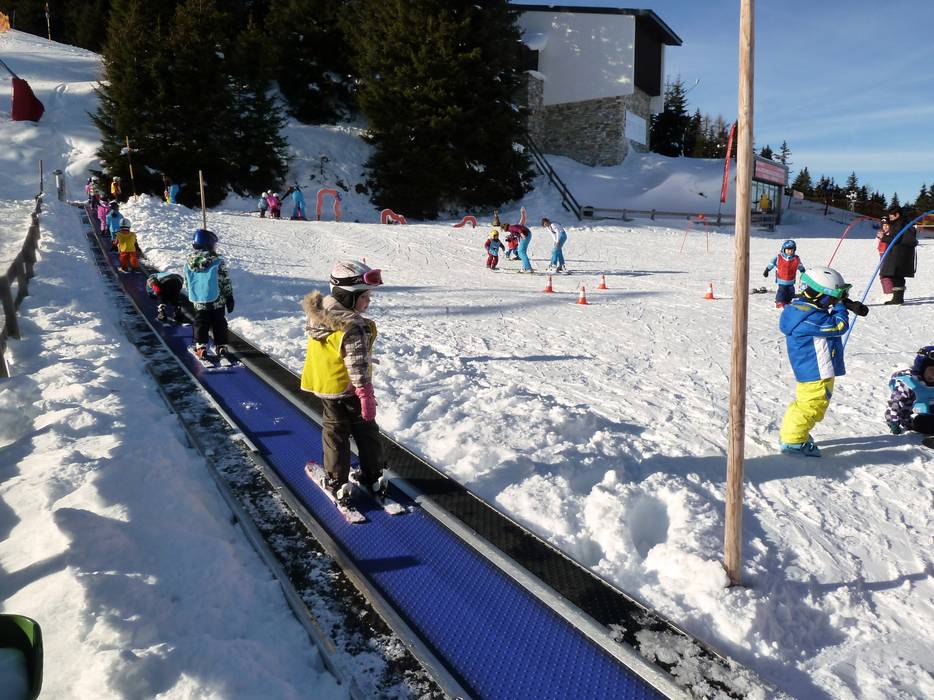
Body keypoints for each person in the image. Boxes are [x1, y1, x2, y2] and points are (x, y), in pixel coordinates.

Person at [300, 260, 385, 505]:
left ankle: (339, 480)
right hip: (352, 390)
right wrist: (365, 393)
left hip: (329, 389)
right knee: (365, 430)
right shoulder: (353, 326)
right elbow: (357, 365)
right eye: (364, 296)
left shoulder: (319, 316)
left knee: (336, 433)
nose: (368, 302)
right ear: (348, 296)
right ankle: (368, 476)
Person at [778, 266, 854, 457]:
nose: (835, 302)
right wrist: (840, 307)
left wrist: (838, 302)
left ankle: (794, 433)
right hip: (817, 370)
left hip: (810, 368)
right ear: (819, 295)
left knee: (805, 403)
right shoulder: (811, 318)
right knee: (812, 406)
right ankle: (793, 441)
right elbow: (839, 325)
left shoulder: (802, 310)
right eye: (833, 298)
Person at [184, 229, 235, 360]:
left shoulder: (189, 263)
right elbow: (224, 280)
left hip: (199, 299)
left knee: (201, 322)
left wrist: (193, 294)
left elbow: (187, 281)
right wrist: (229, 297)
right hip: (217, 299)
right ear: (209, 245)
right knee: (219, 322)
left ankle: (200, 346)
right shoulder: (217, 261)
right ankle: (221, 346)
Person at [885, 346, 934, 437]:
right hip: (914, 418)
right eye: (931, 370)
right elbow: (895, 404)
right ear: (921, 369)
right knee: (923, 421)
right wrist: (893, 422)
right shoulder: (910, 384)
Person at [878, 207, 918, 305]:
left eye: (891, 217)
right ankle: (897, 298)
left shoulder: (899, 224)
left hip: (898, 254)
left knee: (895, 275)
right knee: (897, 275)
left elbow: (895, 239)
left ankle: (897, 298)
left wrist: (883, 237)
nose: (890, 219)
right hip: (901, 253)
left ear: (897, 215)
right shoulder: (904, 223)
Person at [763, 239, 805, 308]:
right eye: (788, 250)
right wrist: (767, 270)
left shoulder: (796, 259)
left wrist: (802, 271)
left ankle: (788, 300)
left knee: (791, 290)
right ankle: (779, 301)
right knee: (782, 291)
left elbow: (800, 266)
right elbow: (771, 263)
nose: (790, 252)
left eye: (792, 250)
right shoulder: (779, 258)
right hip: (781, 279)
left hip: (791, 279)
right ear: (784, 249)